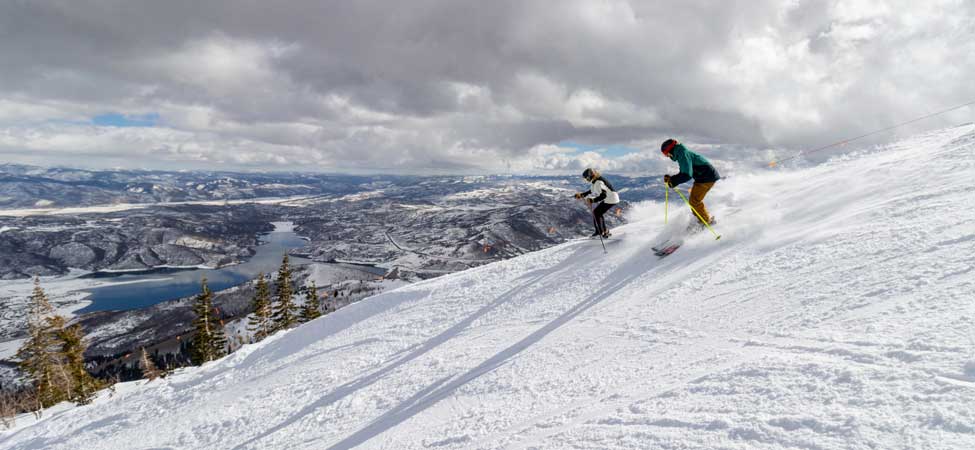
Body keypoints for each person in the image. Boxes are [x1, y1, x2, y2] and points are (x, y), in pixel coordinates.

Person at [661, 138, 720, 228]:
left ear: (670, 150)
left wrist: (673, 182)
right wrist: (671, 179)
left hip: (706, 177)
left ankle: (707, 222)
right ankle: (702, 219)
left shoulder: (682, 154)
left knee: (694, 201)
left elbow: (687, 174)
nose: (668, 156)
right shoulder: (681, 152)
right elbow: (684, 172)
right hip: (703, 177)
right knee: (693, 199)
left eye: (666, 153)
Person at [574, 168, 620, 238]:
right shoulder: (595, 181)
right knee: (597, 213)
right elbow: (591, 191)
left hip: (611, 198)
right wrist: (581, 195)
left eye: (586, 178)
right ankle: (603, 231)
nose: (586, 180)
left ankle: (601, 232)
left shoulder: (599, 182)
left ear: (590, 176)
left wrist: (593, 200)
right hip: (610, 198)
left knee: (597, 213)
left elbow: (603, 195)